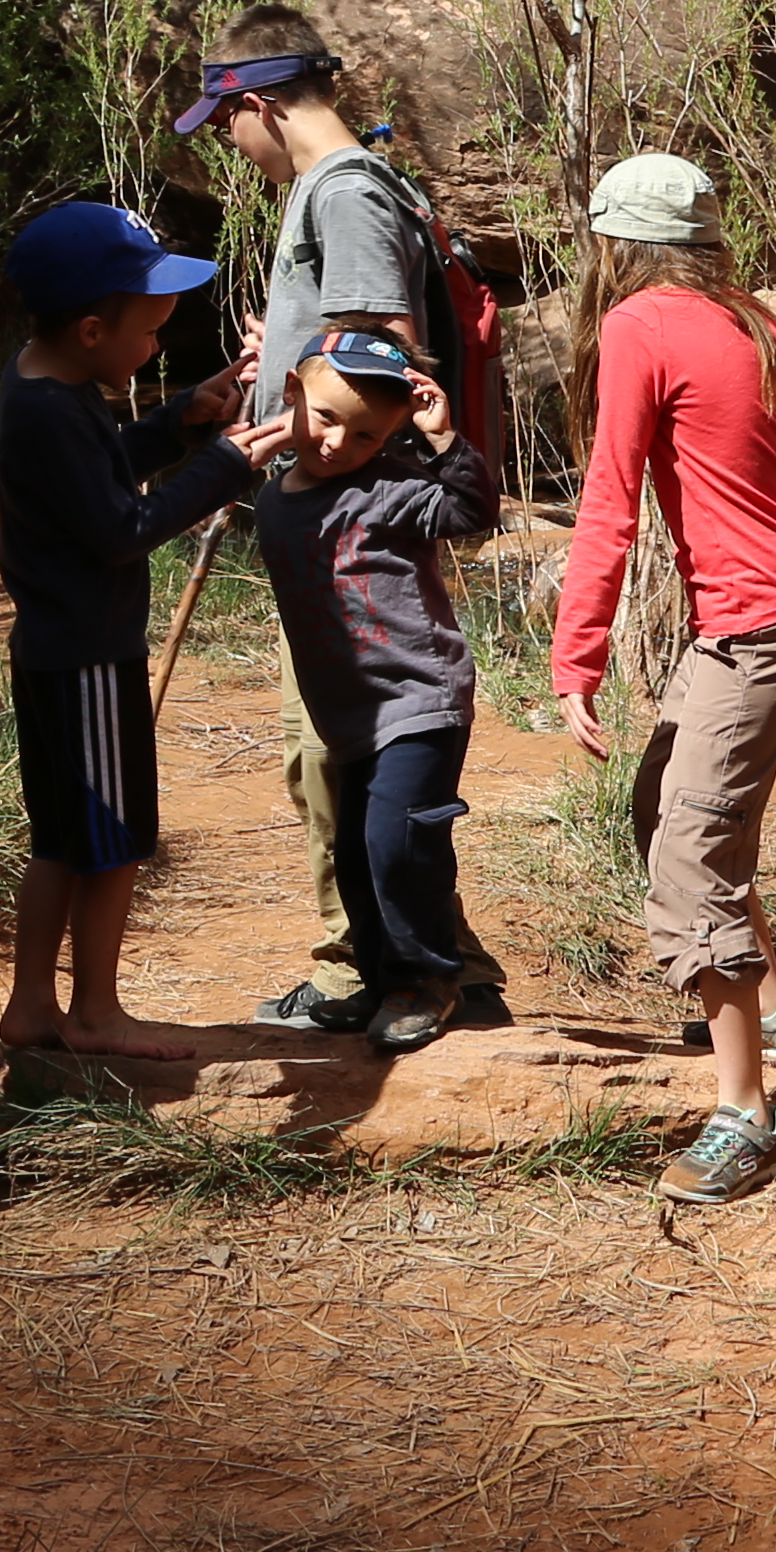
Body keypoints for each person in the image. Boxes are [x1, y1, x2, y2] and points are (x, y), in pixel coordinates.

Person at [548, 152, 776, 1205]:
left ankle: (749, 1114)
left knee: (693, 858)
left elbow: (609, 504)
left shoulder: (636, 327)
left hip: (761, 624)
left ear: (615, 246)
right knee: (664, 800)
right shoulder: (749, 318)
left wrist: (577, 658)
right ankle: (771, 1004)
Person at [173, 6, 436, 1030]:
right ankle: (395, 951)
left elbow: (388, 353)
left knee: (335, 748)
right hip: (325, 513)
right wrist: (282, 352)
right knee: (332, 746)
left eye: (224, 124)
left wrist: (295, 435)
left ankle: (376, 966)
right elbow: (345, 343)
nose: (229, 148)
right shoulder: (337, 191)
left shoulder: (345, 194)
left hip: (345, 524)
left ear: (258, 105)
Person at [0, 196, 279, 1055]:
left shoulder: (43, 383)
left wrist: (176, 421)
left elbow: (100, 477)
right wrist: (227, 462)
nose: (156, 343)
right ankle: (97, 1012)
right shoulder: (56, 406)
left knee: (58, 839)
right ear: (91, 330)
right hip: (89, 661)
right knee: (112, 843)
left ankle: (32, 1005)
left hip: (53, 654)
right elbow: (120, 529)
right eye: (150, 330)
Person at [241, 329, 506, 1052]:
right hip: (345, 713)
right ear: (291, 392)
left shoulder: (392, 484)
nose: (337, 443)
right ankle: (378, 977)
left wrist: (446, 442)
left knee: (399, 842)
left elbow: (471, 513)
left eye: (364, 434)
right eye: (324, 418)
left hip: (420, 700)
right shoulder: (273, 501)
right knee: (353, 850)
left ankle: (429, 980)